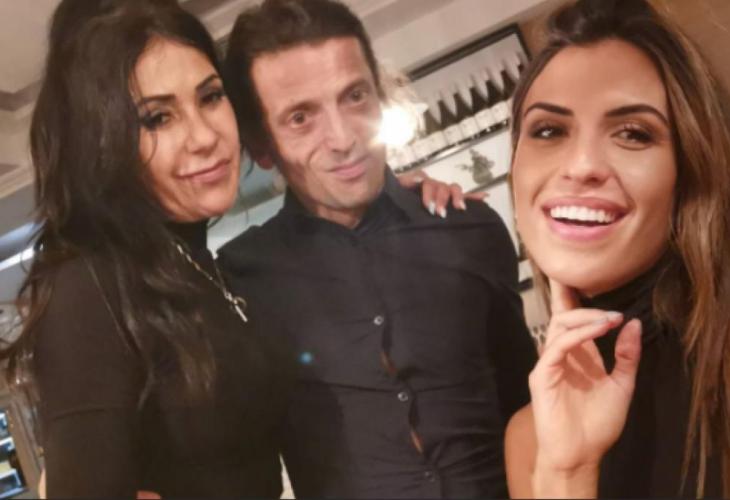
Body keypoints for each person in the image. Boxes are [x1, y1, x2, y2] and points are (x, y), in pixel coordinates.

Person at [5, 1, 470, 497]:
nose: (205, 137)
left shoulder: (202, 267)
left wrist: (392, 201)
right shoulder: (89, 283)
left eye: (210, 97)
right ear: (103, 141)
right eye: (157, 118)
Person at [217, 0, 537, 497]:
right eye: (300, 117)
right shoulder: (238, 279)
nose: (344, 137)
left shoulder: (470, 229)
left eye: (355, 96)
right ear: (262, 145)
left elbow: (528, 405)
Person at [504, 0, 730, 497]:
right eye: (548, 130)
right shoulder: (529, 437)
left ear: (689, 173)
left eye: (632, 133)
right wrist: (568, 473)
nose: (581, 164)